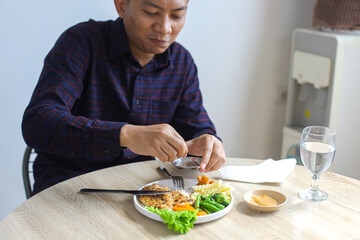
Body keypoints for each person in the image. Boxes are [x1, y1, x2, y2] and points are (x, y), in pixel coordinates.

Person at [22, 0, 226, 195]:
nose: (165, 28)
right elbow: (38, 122)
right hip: (68, 184)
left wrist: (208, 143)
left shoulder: (182, 62)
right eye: (151, 13)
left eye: (177, 15)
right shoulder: (82, 42)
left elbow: (196, 127)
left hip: (137, 187)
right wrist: (125, 135)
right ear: (121, 6)